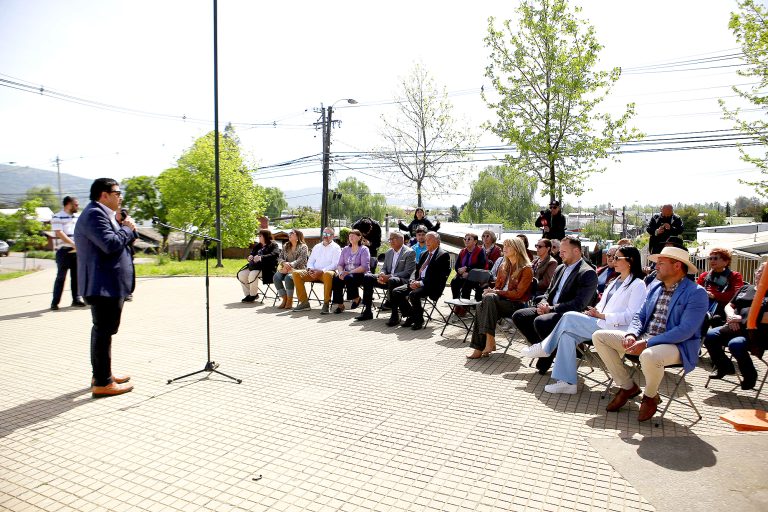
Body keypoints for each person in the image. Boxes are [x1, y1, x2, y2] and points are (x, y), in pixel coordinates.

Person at [593, 246, 708, 422]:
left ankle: (649, 396)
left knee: (649, 355)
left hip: (677, 345)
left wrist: (648, 343)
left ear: (677, 266)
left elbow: (686, 330)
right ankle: (628, 386)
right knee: (599, 337)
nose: (655, 267)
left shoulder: (696, 293)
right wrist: (631, 334)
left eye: (661, 263)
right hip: (643, 339)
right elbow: (640, 315)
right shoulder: (655, 286)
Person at [522, 246, 647, 394]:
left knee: (568, 316)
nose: (613, 260)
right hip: (600, 323)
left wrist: (603, 316)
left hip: (615, 330)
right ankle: (568, 383)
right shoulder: (615, 281)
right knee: (567, 336)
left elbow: (632, 316)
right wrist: (595, 312)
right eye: (613, 257)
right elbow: (602, 305)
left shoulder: (638, 284)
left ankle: (545, 347)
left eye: (617, 258)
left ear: (630, 261)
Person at [74, 178, 136, 397]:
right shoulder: (94, 214)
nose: (120, 197)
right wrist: (127, 230)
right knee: (102, 331)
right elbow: (110, 244)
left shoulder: (103, 214)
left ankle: (103, 374)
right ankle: (102, 382)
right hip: (102, 285)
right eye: (117, 192)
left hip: (108, 284)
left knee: (104, 331)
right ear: (104, 195)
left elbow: (121, 240)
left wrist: (126, 228)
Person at [511, 236, 598, 374]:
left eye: (564, 251)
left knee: (541, 322)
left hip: (569, 315)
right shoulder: (560, 268)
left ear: (576, 251)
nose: (560, 253)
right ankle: (546, 349)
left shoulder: (587, 273)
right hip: (550, 308)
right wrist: (543, 303)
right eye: (560, 251)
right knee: (519, 316)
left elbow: (579, 304)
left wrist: (550, 309)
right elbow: (548, 292)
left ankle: (547, 351)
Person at [704, 261, 767, 390]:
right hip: (733, 326)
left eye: (764, 272)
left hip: (755, 333)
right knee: (710, 336)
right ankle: (725, 367)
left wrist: (741, 320)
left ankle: (750, 375)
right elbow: (729, 305)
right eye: (759, 271)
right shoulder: (746, 288)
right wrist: (731, 317)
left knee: (735, 344)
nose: (760, 274)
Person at [467, 238, 533, 359]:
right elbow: (497, 287)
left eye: (508, 246)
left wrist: (495, 292)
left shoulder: (526, 269)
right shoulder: (503, 266)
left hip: (516, 305)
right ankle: (487, 341)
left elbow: (518, 294)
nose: (504, 248)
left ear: (517, 249)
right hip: (497, 303)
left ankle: (482, 345)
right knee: (484, 302)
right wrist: (491, 291)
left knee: (487, 300)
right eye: (504, 246)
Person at [388, 231, 451, 330]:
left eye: (430, 239)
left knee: (414, 294)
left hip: (431, 285)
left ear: (438, 242)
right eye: (426, 239)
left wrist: (420, 283)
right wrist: (412, 281)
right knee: (396, 292)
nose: (427, 241)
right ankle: (412, 315)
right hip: (419, 282)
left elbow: (438, 277)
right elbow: (417, 271)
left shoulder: (443, 255)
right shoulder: (423, 254)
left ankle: (418, 320)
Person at [355, 231, 416, 321]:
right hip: (388, 279)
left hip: (402, 281)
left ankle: (395, 315)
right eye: (390, 239)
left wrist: (390, 276)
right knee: (368, 277)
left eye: (393, 239)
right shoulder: (389, 252)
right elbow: (384, 268)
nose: (390, 241)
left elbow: (407, 272)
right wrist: (382, 274)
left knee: (393, 280)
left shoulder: (409, 252)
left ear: (401, 240)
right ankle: (367, 311)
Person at [292, 227, 342, 314]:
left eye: (328, 234)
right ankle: (304, 302)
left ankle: (326, 304)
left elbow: (335, 264)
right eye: (324, 234)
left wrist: (321, 271)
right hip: (313, 272)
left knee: (328, 274)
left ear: (333, 236)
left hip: (326, 273)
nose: (325, 236)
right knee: (296, 273)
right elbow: (310, 261)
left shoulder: (336, 248)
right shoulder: (317, 246)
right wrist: (310, 269)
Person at [51, 195, 86, 310]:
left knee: (76, 276)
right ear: (68, 204)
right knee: (61, 277)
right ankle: (55, 302)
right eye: (75, 204)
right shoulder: (57, 216)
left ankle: (76, 299)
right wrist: (73, 244)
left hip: (77, 251)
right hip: (64, 251)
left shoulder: (78, 216)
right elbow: (59, 233)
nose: (77, 206)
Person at [331, 229, 370, 313]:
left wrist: (349, 272)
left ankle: (356, 298)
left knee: (349, 277)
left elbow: (364, 267)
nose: (351, 237)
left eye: (353, 235)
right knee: (336, 279)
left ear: (359, 237)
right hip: (347, 274)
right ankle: (340, 305)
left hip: (361, 274)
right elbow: (340, 264)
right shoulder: (345, 249)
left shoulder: (364, 249)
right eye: (350, 236)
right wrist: (341, 272)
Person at [696, 247, 743, 318]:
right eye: (710, 258)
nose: (712, 261)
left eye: (715, 258)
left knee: (717, 318)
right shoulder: (704, 275)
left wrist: (715, 295)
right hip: (704, 307)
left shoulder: (734, 276)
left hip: (724, 309)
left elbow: (736, 295)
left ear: (726, 261)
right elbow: (696, 291)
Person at [237, 229, 280, 302]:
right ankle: (249, 294)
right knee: (241, 274)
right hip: (254, 267)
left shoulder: (273, 244)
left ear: (266, 236)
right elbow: (252, 254)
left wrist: (261, 257)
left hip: (267, 269)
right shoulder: (258, 245)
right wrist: (250, 257)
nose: (259, 237)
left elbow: (275, 255)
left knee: (252, 274)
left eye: (260, 236)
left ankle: (252, 295)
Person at [450, 233, 487, 315]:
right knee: (454, 282)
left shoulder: (480, 251)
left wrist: (467, 270)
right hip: (463, 275)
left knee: (467, 283)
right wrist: (459, 271)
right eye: (465, 239)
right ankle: (457, 303)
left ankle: (464, 306)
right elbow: (457, 265)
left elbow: (481, 264)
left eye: (469, 239)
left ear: (475, 241)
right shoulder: (463, 251)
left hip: (476, 276)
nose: (466, 241)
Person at [273, 229, 308, 309]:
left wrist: (290, 265)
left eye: (292, 233)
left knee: (288, 277)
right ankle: (284, 299)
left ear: (297, 236)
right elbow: (280, 258)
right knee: (276, 277)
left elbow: (301, 259)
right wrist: (284, 263)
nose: (290, 234)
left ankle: (290, 300)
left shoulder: (303, 246)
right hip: (286, 268)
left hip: (298, 270)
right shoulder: (286, 245)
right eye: (289, 233)